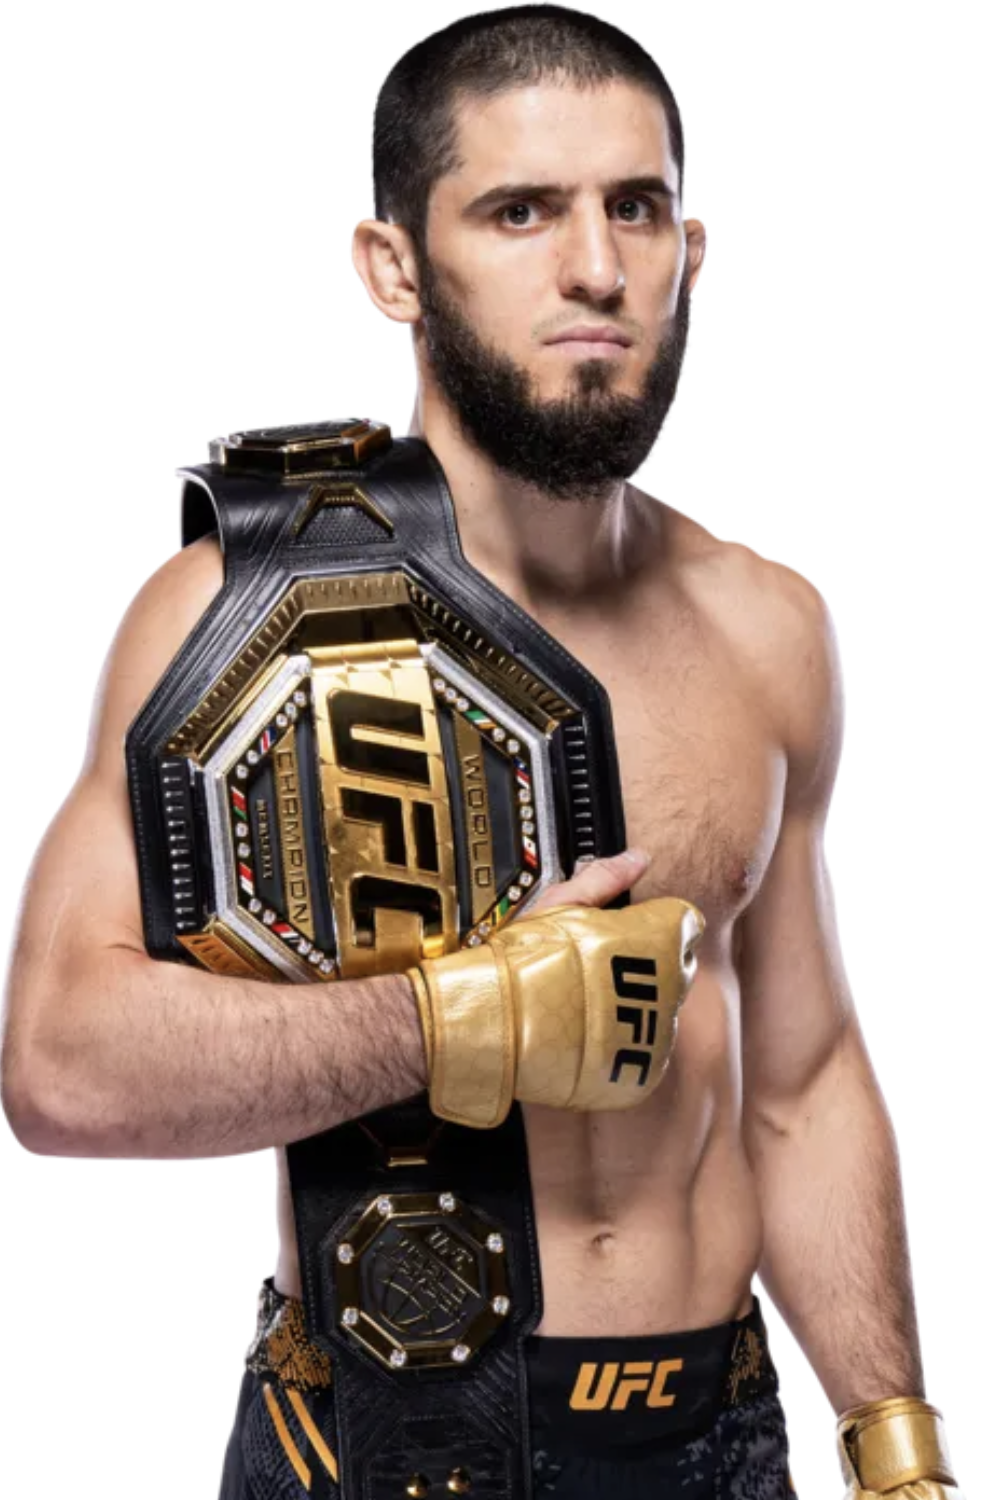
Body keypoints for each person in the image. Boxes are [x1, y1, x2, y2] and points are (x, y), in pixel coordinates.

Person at [0, 5, 962, 1498]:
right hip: (391, 1442)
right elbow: (62, 1066)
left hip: (722, 1437)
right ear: (395, 266)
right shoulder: (246, 621)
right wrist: (467, 1018)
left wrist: (893, 1441)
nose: (595, 268)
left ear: (689, 249)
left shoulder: (767, 627)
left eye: (634, 208)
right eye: (520, 212)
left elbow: (804, 1078)